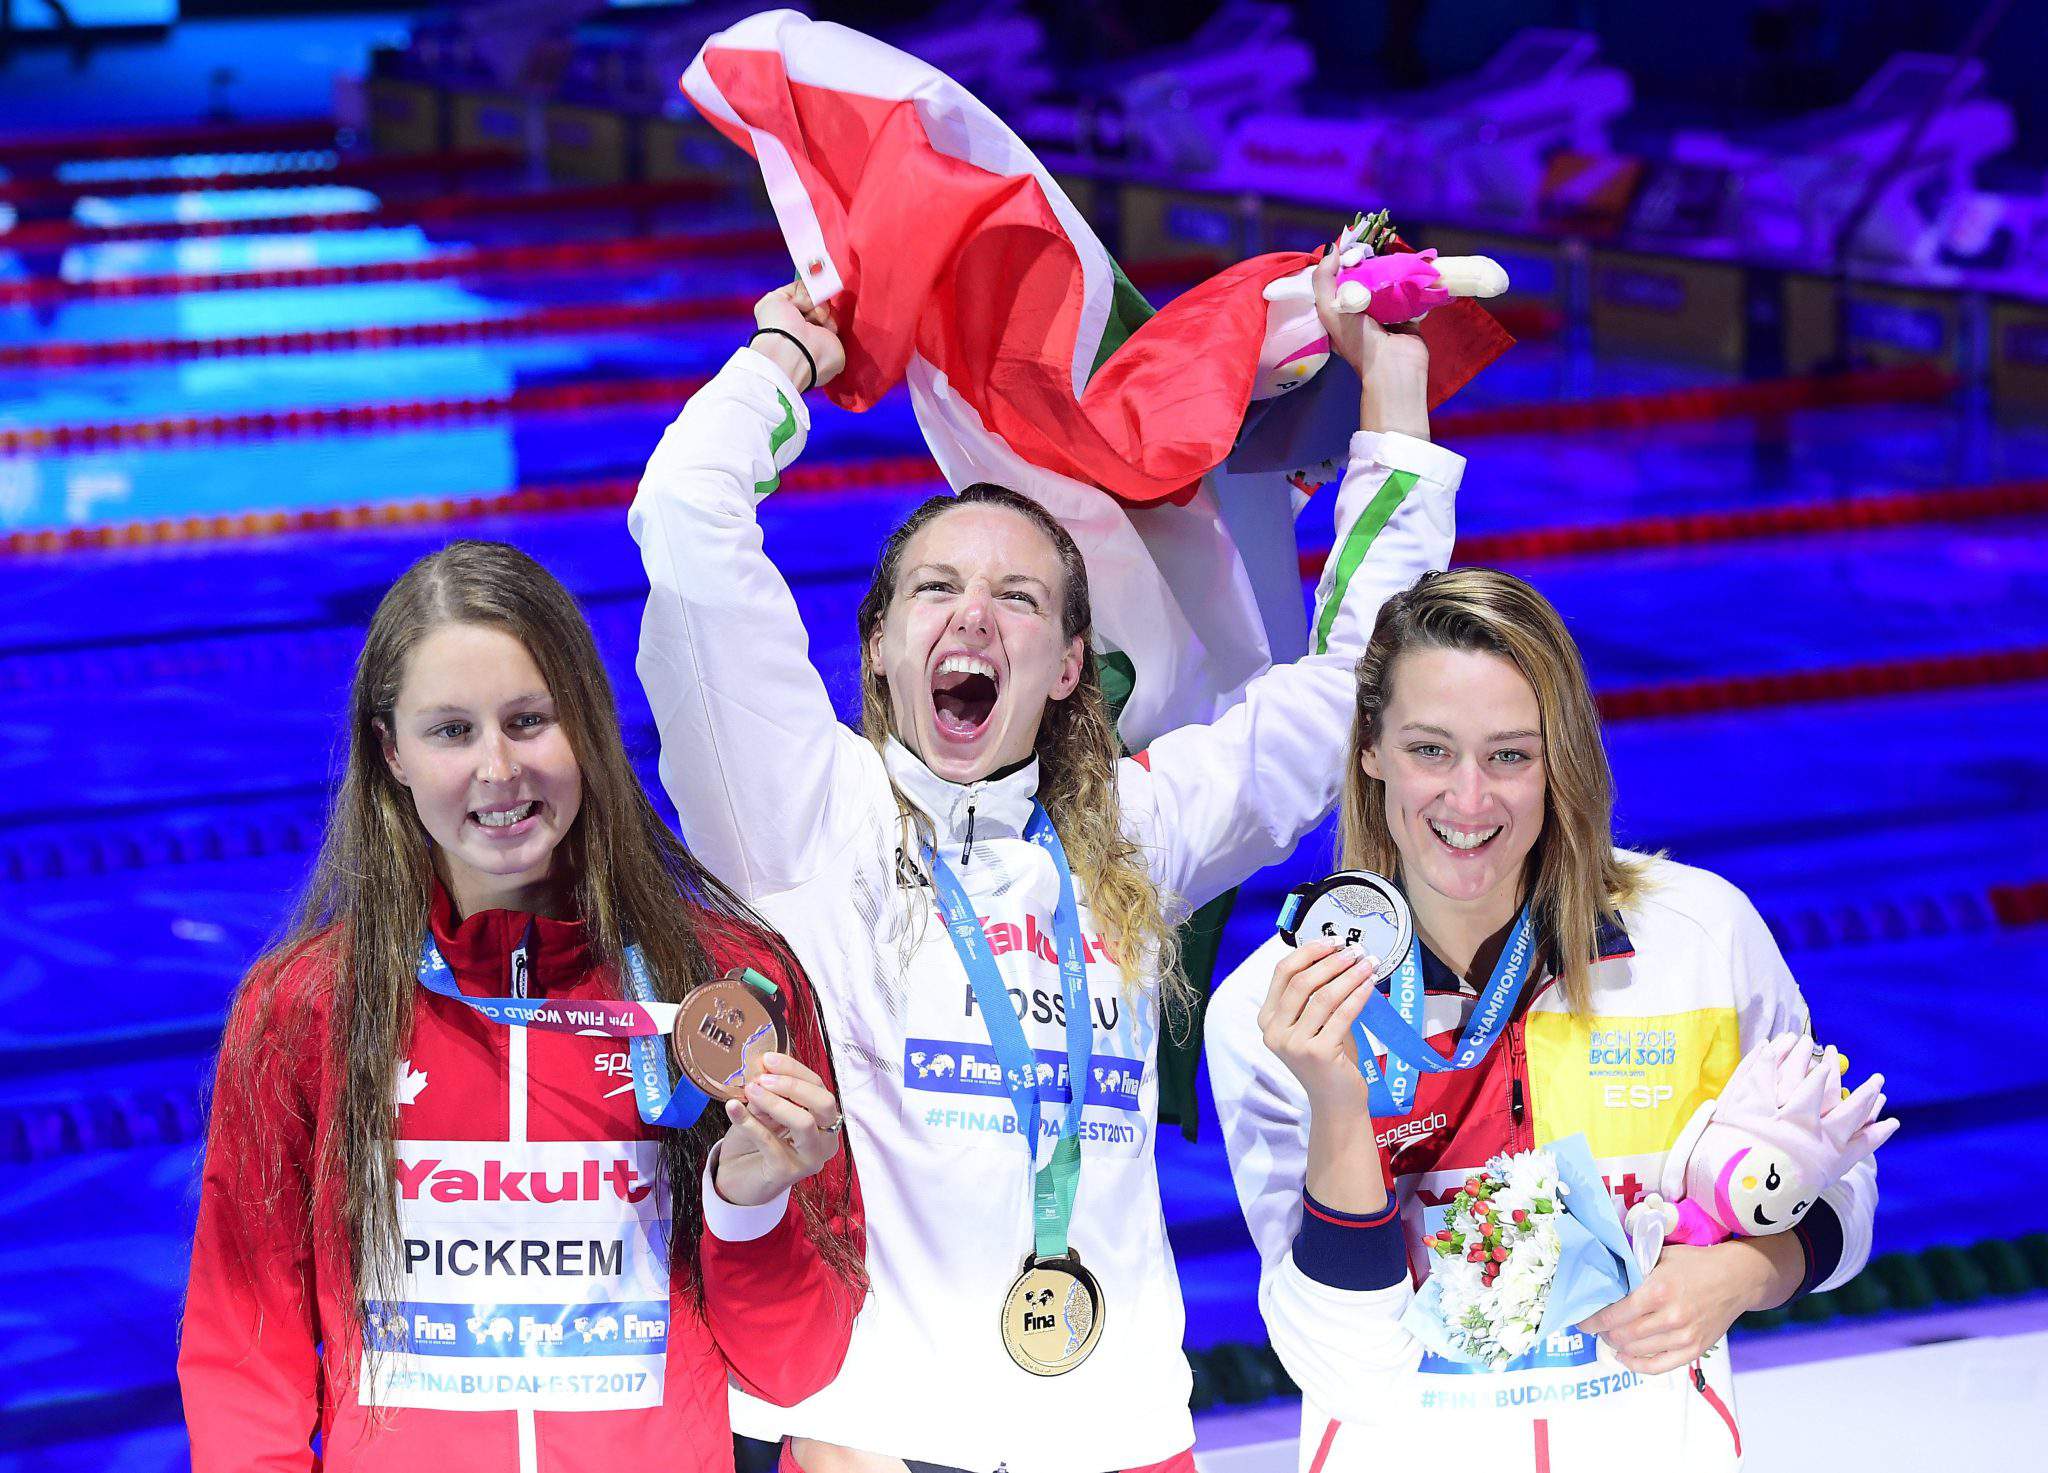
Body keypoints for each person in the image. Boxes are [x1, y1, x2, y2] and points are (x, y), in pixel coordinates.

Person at [627, 251, 1465, 1473]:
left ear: (1070, 665)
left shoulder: (1135, 831)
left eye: (1018, 597)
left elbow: (1361, 678)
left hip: (1116, 1437)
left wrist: (1390, 398)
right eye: (935, 588)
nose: (972, 614)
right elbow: (686, 522)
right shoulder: (798, 808)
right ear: (877, 645)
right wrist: (782, 360)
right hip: (869, 1438)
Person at [178, 541, 864, 1473]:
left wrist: (750, 1206)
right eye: (451, 730)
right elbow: (245, 1360)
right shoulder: (304, 1010)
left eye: (529, 720)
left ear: (586, 721)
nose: (498, 768)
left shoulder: (725, 993)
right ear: (392, 752)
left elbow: (795, 1369)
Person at [1205, 567, 1880, 1472]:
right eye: (1431, 750)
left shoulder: (1699, 936)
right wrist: (1337, 1099)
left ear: (1561, 757)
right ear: (1370, 749)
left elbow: (1843, 1180)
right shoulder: (1278, 1010)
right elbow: (1348, 1368)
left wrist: (1747, 1272)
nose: (1469, 799)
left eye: (1510, 755)